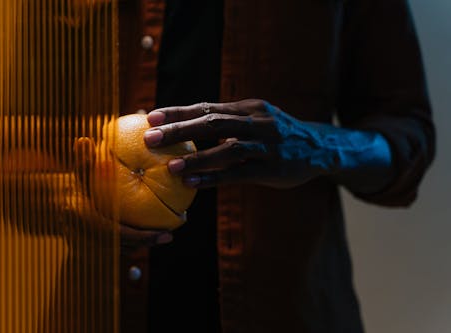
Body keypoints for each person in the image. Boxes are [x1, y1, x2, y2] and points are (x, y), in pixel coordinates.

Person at [114, 0, 435, 333]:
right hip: (100, 304)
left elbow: (409, 141)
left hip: (283, 308)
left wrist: (317, 145)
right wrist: (72, 201)